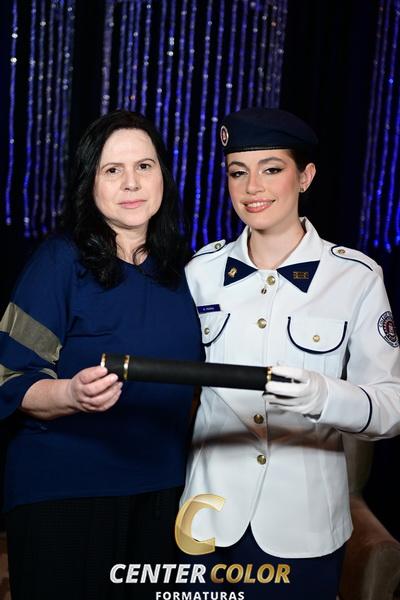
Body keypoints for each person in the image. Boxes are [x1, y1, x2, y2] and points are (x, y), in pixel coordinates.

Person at [180, 108, 400, 599]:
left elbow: (392, 405)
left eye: (272, 169)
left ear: (305, 176)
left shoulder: (356, 278)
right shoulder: (200, 272)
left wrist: (323, 394)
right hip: (206, 521)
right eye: (238, 172)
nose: (252, 187)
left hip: (304, 528)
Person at [0, 109, 203, 599]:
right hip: (66, 490)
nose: (132, 183)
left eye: (144, 166)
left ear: (163, 175)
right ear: (90, 181)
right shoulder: (59, 261)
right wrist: (70, 394)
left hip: (163, 494)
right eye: (113, 170)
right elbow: (8, 375)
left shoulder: (188, 273)